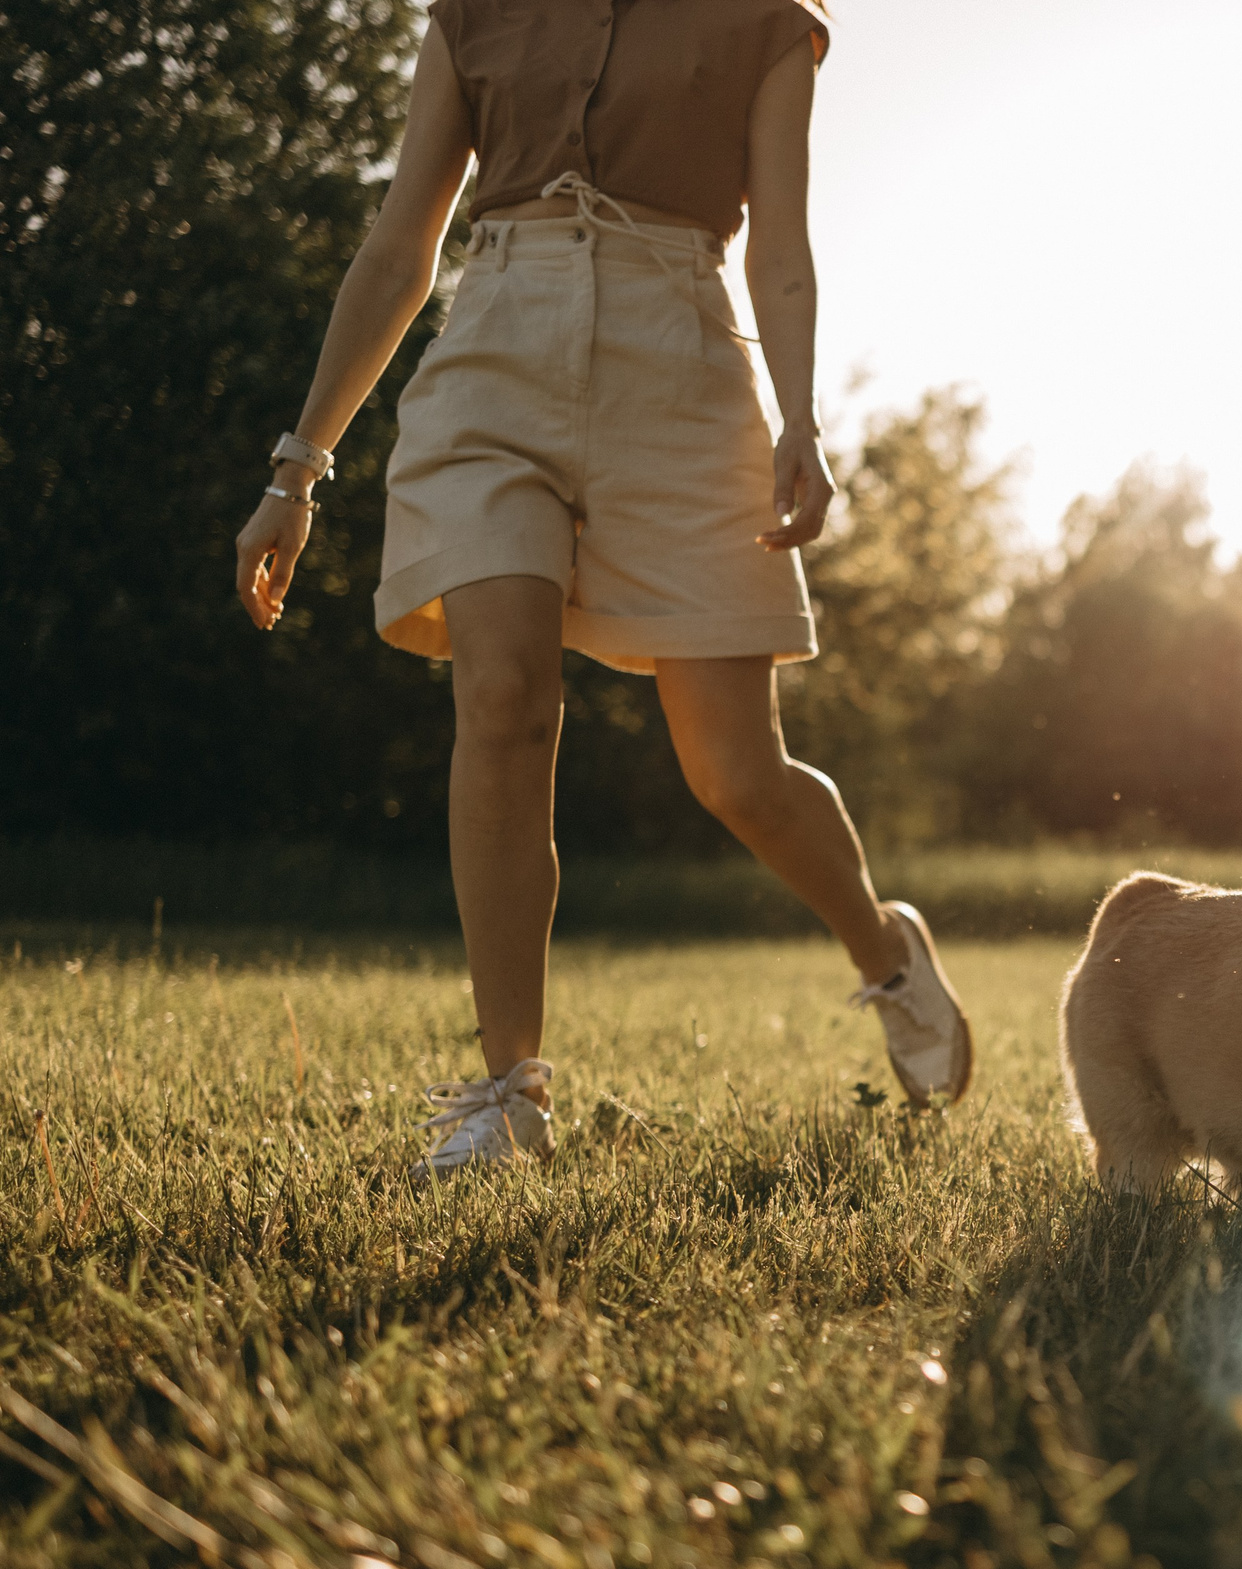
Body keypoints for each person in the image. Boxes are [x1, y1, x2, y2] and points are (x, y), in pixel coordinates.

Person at [232, 0, 971, 1179]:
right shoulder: (475, 12)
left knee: (734, 771)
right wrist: (298, 470)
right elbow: (397, 249)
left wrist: (802, 421)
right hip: (494, 357)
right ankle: (508, 1091)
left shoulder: (768, 23)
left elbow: (781, 242)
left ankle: (884, 949)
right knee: (506, 696)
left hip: (678, 363)